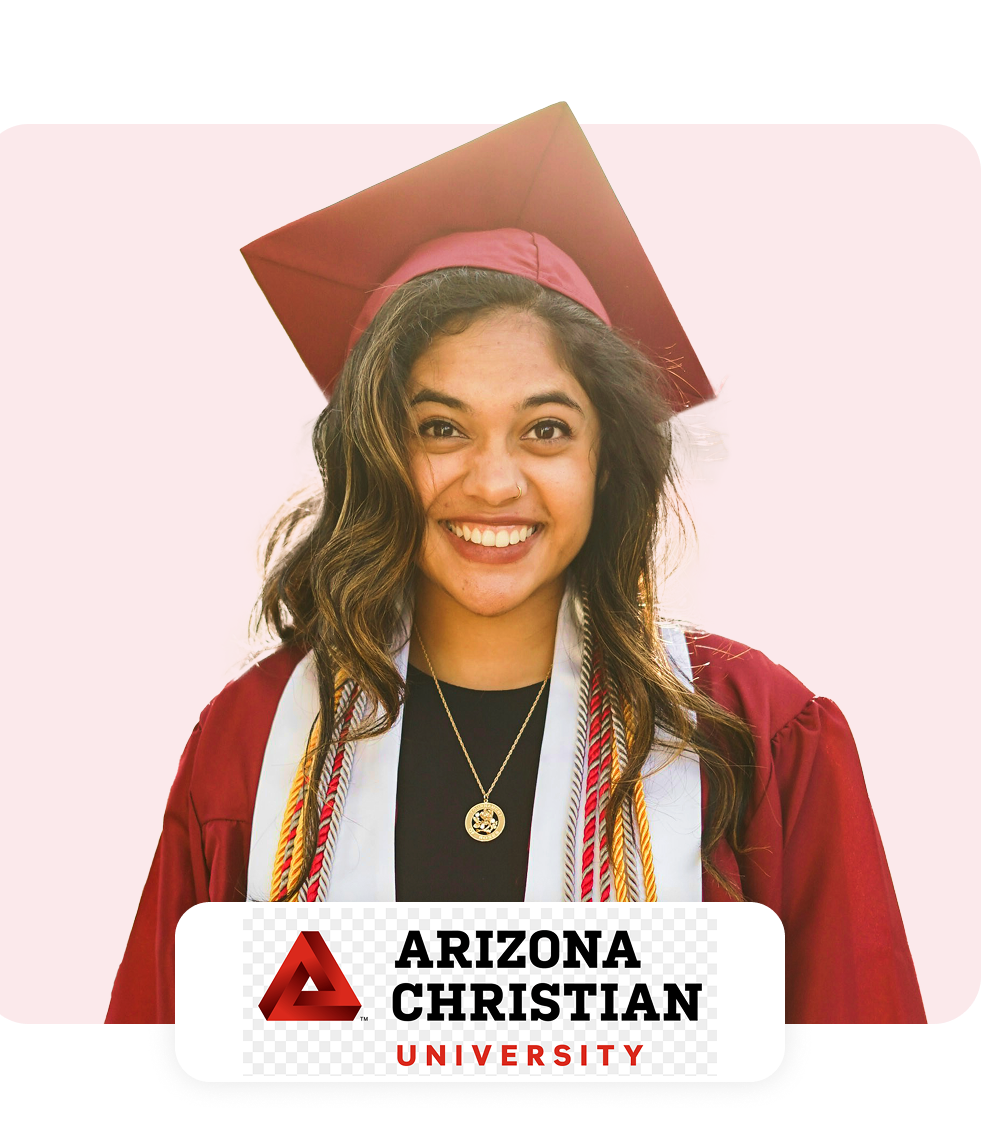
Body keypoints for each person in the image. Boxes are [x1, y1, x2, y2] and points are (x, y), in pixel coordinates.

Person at [105, 105, 925, 1025]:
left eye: (545, 430)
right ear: (377, 450)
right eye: (440, 427)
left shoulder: (751, 735)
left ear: (605, 459)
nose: (494, 483)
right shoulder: (254, 743)